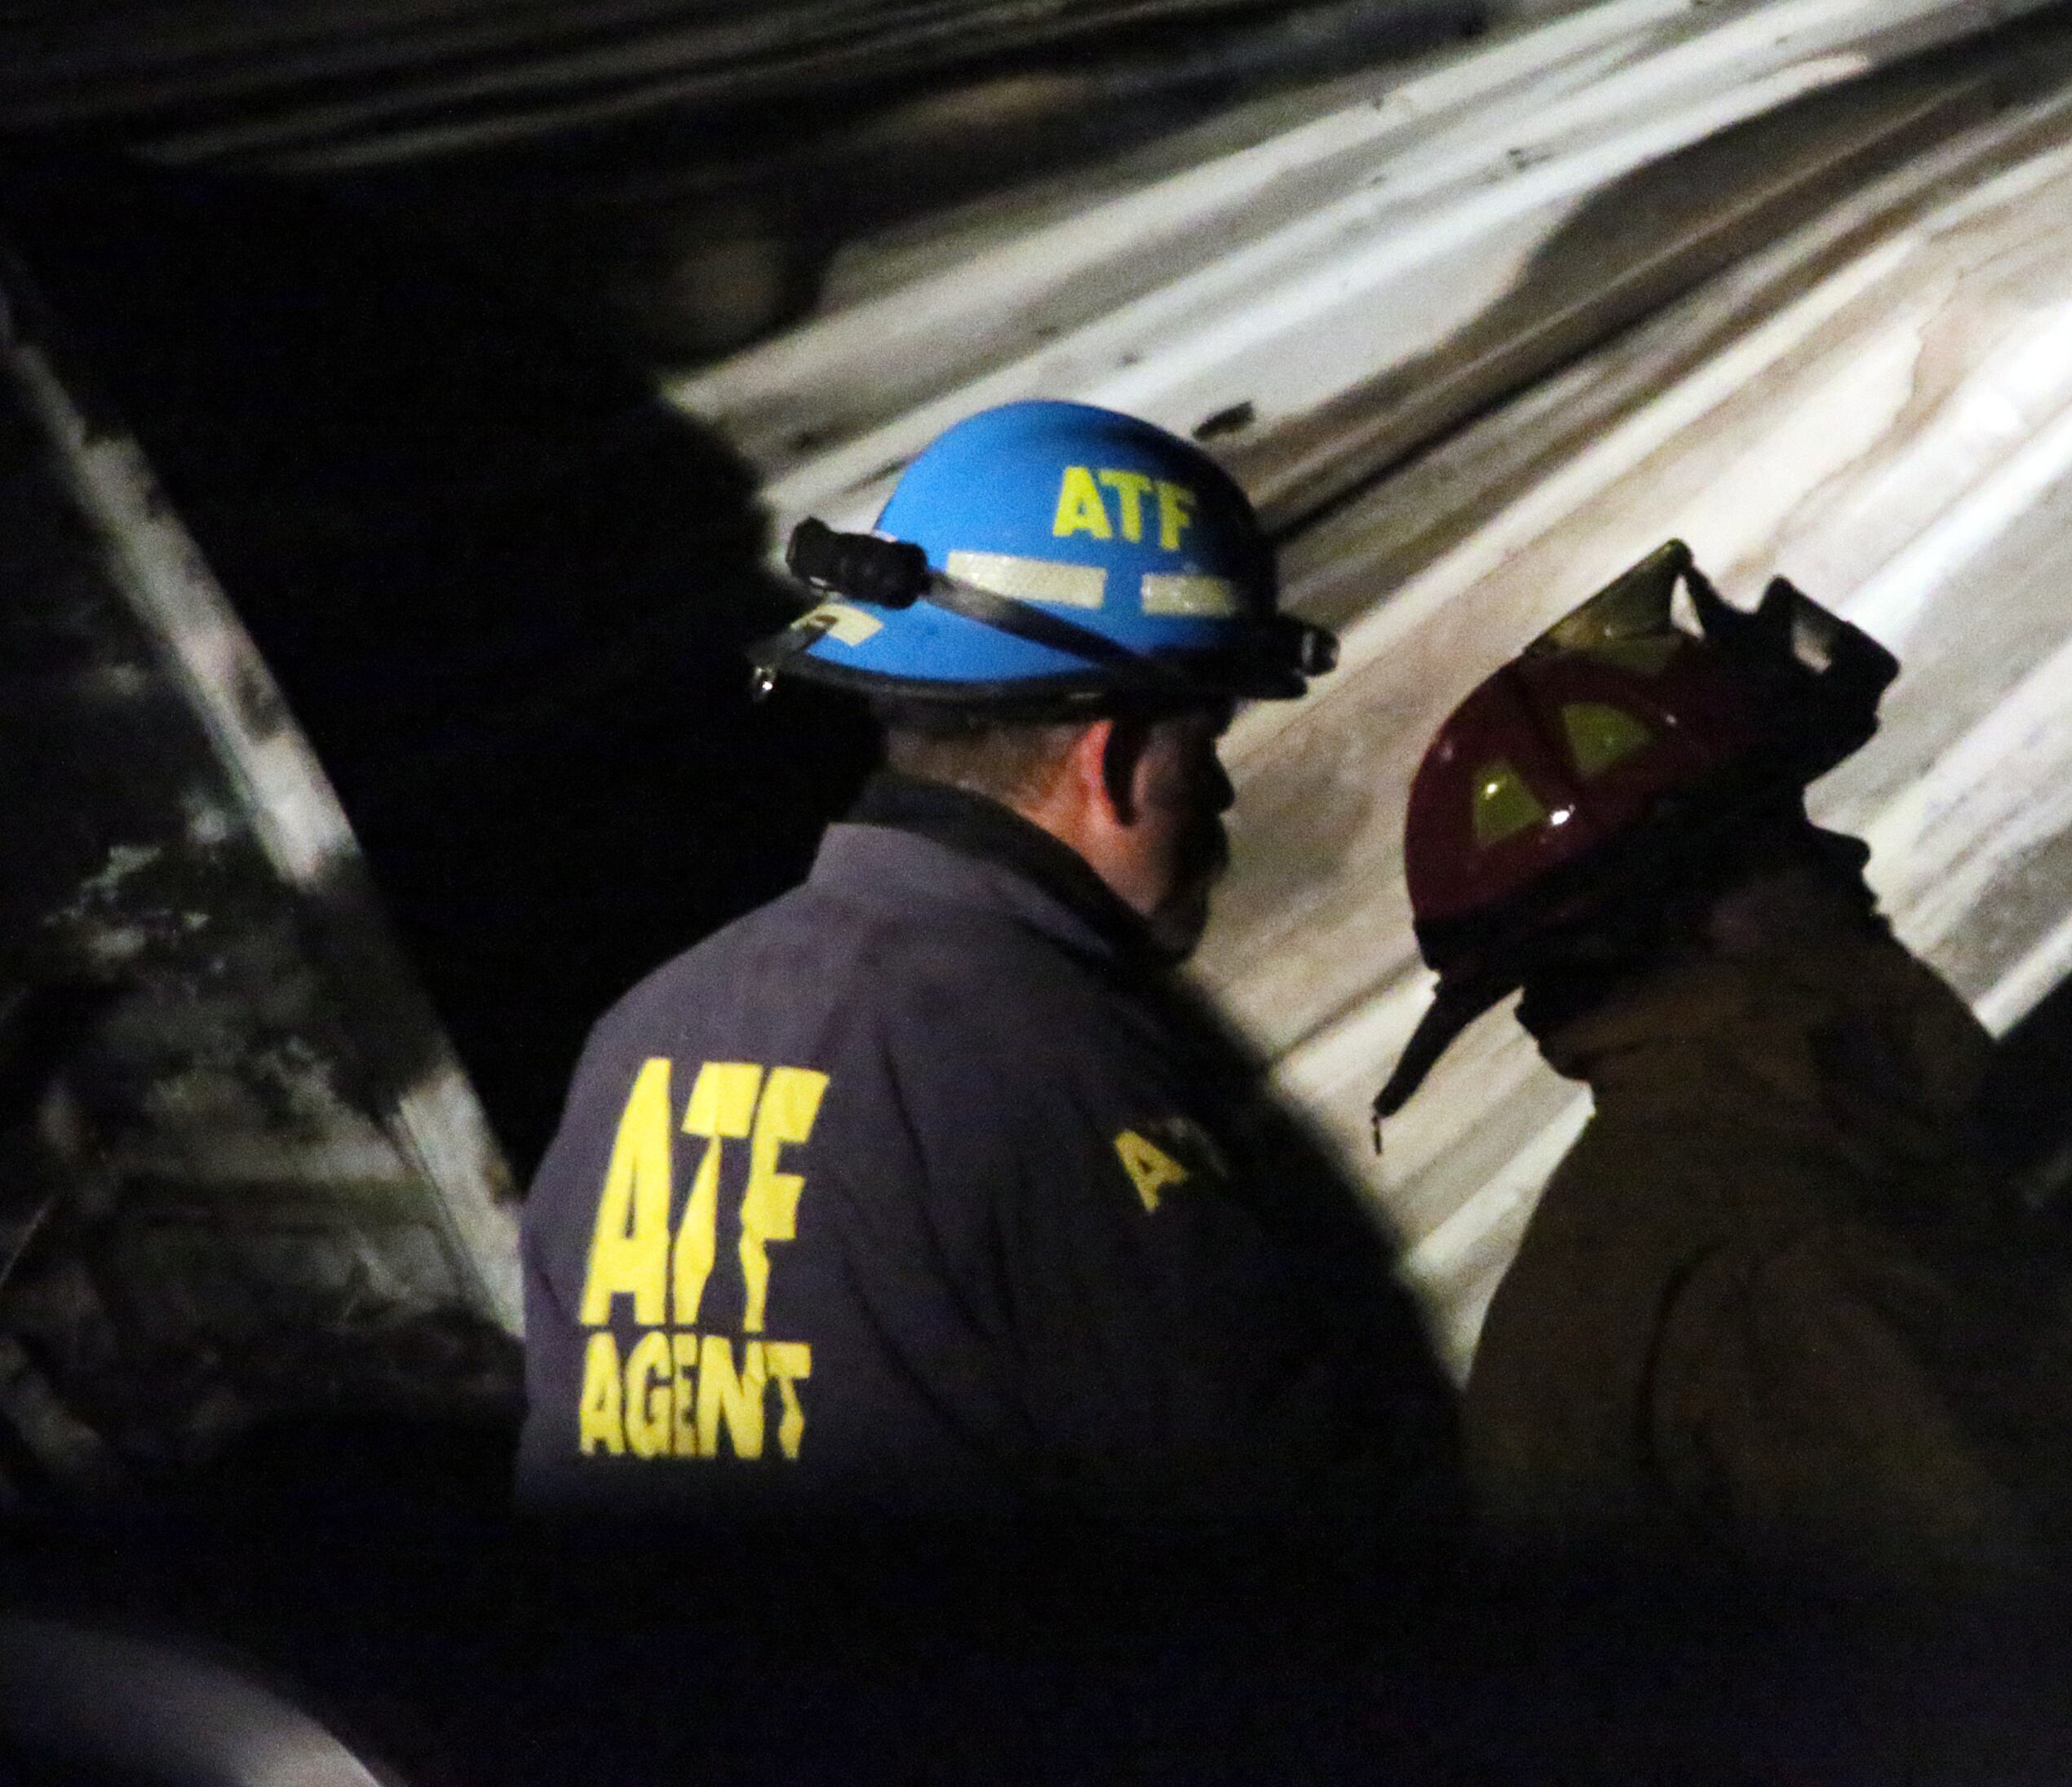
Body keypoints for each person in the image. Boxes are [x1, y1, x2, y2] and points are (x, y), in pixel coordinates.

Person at [514, 399, 1454, 1530]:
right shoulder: (1064, 1063)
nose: (1221, 796)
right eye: (1206, 743)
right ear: (1111, 763)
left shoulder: (643, 1039)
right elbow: (1292, 1526)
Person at [1374, 542, 2072, 1595]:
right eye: (1780, 835)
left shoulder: (1716, 1167)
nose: (1843, 859)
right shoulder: (1784, 1256)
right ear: (1687, 915)